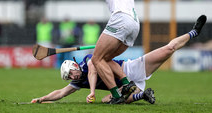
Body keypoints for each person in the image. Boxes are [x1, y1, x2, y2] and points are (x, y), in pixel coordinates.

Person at [31, 15, 207, 104]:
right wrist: (41, 98)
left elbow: (93, 69)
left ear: (74, 66)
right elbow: (60, 93)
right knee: (107, 100)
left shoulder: (88, 61)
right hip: (127, 87)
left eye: (71, 74)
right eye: (69, 78)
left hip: (134, 69)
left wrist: (91, 91)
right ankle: (142, 95)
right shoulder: (78, 82)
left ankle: (193, 33)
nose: (72, 78)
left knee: (169, 49)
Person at [57, 0, 140, 104]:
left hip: (121, 19)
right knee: (106, 58)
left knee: (96, 59)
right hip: (135, 24)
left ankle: (116, 95)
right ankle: (127, 84)